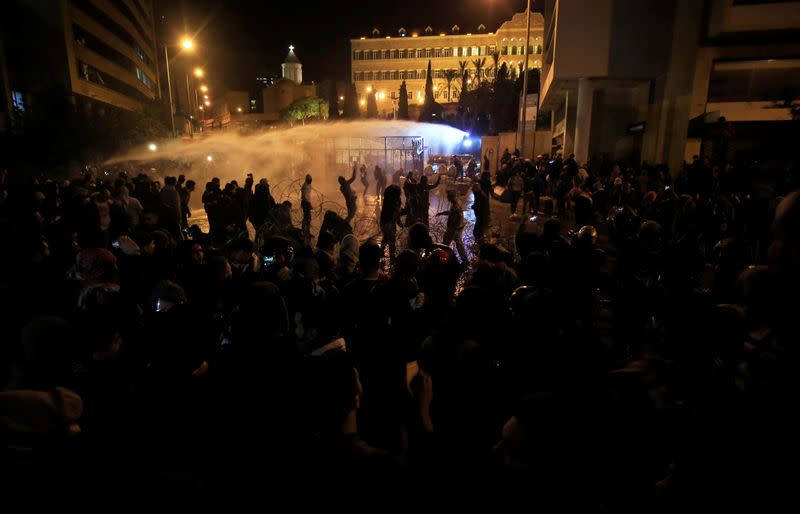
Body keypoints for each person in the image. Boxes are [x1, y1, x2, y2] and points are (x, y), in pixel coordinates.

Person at [436, 190, 468, 265]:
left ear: (451, 197)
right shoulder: (454, 205)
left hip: (454, 229)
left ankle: (442, 258)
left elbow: (458, 218)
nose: (447, 198)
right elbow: (451, 213)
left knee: (446, 244)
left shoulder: (455, 207)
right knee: (458, 244)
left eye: (448, 197)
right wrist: (442, 213)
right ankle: (465, 260)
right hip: (455, 229)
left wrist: (453, 229)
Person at [380, 185, 402, 263]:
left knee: (385, 238)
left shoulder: (387, 200)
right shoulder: (395, 201)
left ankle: (381, 252)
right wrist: (400, 223)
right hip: (389, 222)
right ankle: (392, 258)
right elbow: (397, 213)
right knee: (392, 240)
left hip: (384, 221)